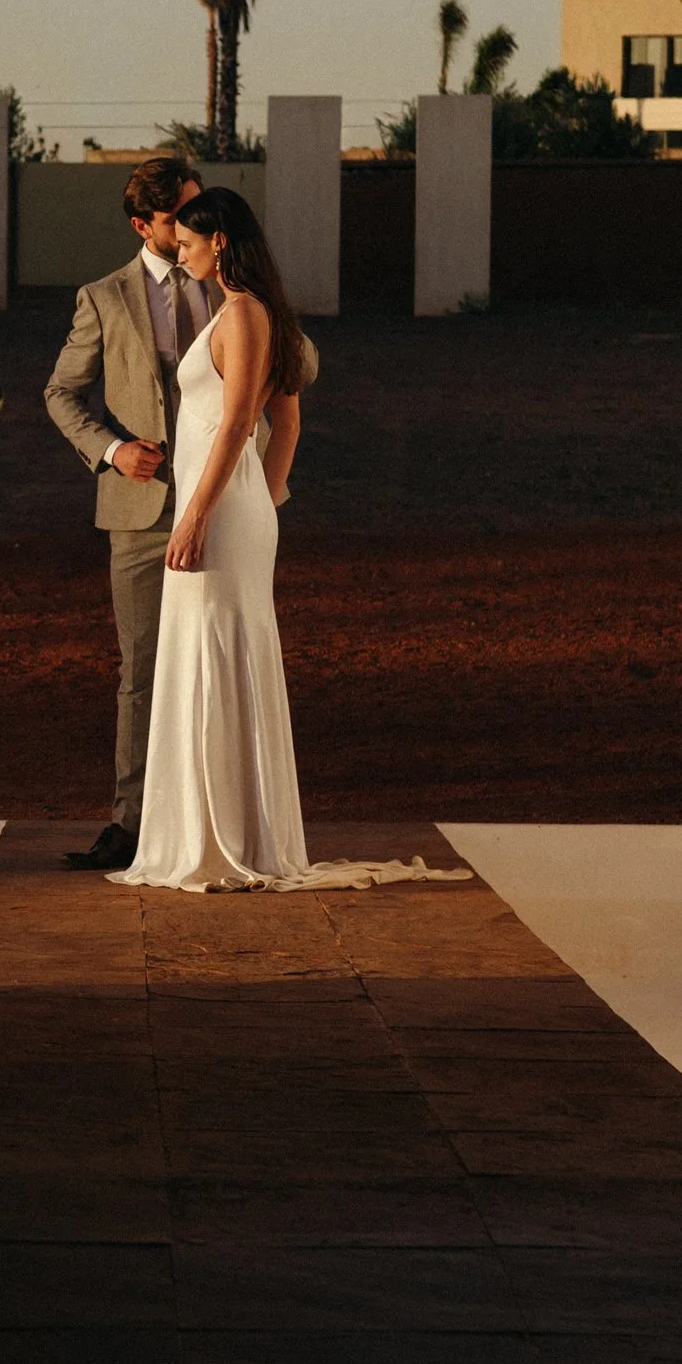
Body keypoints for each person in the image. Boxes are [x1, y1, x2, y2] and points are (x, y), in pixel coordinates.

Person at [110, 186, 438, 896]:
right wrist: (262, 498)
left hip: (218, 510)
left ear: (219, 242)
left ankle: (223, 840)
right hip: (232, 505)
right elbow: (283, 424)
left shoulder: (246, 314)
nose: (181, 254)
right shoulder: (250, 312)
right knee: (207, 652)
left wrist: (205, 513)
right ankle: (212, 831)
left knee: (216, 653)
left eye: (188, 244)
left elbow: (239, 424)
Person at [44, 156, 308, 870]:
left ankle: (223, 824)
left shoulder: (236, 292)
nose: (191, 223)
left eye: (198, 209)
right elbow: (61, 394)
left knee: (223, 654)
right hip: (139, 508)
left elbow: (293, 374)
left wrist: (263, 494)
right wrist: (112, 451)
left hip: (222, 504)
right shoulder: (104, 297)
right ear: (144, 226)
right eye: (176, 218)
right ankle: (137, 824)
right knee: (146, 670)